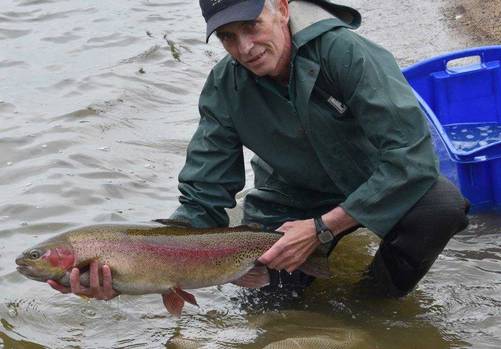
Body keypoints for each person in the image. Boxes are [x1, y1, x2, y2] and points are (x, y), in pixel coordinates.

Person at [49, 0, 469, 300]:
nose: (244, 48)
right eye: (228, 37)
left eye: (252, 26)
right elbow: (203, 198)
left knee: (440, 206)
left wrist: (324, 228)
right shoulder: (224, 86)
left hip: (376, 185)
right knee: (270, 313)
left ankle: (372, 305)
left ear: (282, 9)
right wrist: (134, 271)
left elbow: (412, 158)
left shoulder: (348, 54)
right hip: (287, 205)